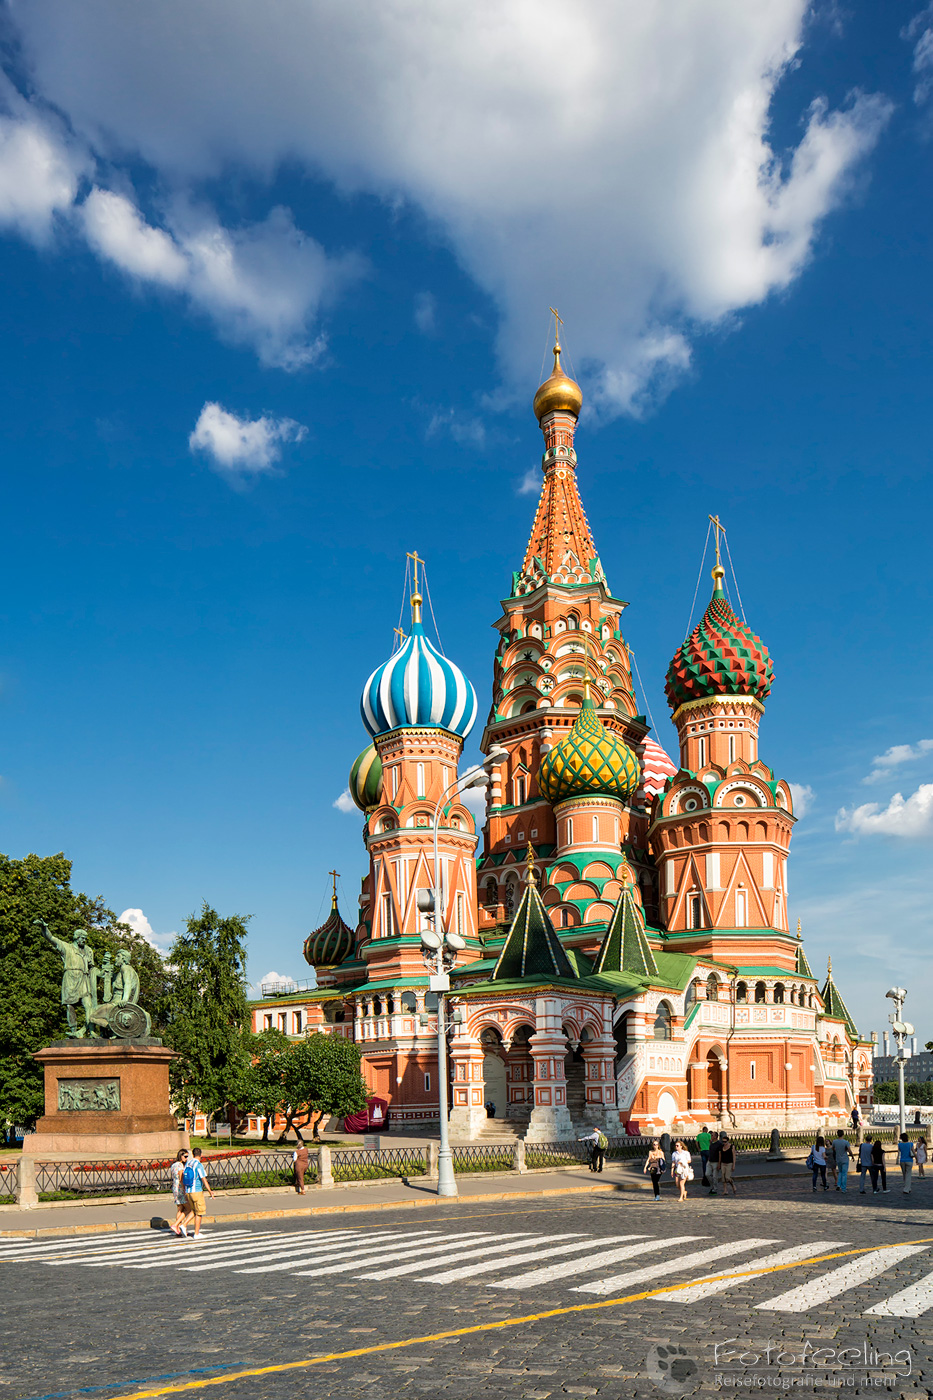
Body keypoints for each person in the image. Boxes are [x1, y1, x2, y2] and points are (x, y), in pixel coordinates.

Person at [182, 1147, 215, 1237]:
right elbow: (203, 1179)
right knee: (199, 1212)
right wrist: (210, 1191)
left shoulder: (188, 1163)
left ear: (193, 1154)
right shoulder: (199, 1165)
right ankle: (196, 1234)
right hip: (196, 1191)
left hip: (188, 1191)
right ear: (201, 1155)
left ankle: (184, 1225)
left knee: (194, 1210)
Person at [169, 1149, 190, 1236]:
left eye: (187, 1156)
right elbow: (181, 1178)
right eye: (185, 1156)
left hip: (175, 1188)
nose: (186, 1158)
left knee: (180, 1209)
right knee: (188, 1208)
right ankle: (176, 1225)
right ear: (181, 1156)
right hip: (180, 1188)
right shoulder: (180, 1165)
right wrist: (185, 1189)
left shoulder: (173, 1165)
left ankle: (178, 1229)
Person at [706, 1130, 721, 1196]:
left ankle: (715, 1188)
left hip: (716, 1162)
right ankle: (712, 1185)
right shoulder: (711, 1143)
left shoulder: (719, 1144)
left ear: (715, 1137)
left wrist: (719, 1163)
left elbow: (720, 1154)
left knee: (715, 1176)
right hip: (710, 1161)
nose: (711, 1136)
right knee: (707, 1174)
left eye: (712, 1135)